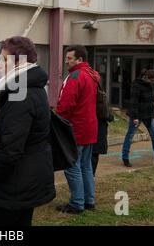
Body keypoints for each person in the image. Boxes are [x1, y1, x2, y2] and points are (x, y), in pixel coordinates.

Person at [0, 36, 55, 226]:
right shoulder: (26, 87)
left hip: (17, 181)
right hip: (24, 177)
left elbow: (11, 149)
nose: (0, 64)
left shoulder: (21, 95)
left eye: (4, 59)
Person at [56, 45, 99, 214]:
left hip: (76, 128)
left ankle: (77, 203)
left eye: (69, 59)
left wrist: (58, 121)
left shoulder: (75, 76)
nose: (66, 62)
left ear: (79, 59)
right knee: (86, 165)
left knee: (72, 165)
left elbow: (65, 105)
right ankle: (89, 200)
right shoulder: (91, 74)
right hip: (89, 126)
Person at [122, 69, 154, 167]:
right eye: (152, 81)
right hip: (137, 115)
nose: (153, 83)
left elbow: (151, 97)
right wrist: (135, 117)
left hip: (149, 115)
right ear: (146, 78)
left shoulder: (151, 85)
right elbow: (134, 102)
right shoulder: (136, 85)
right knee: (130, 135)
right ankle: (125, 157)